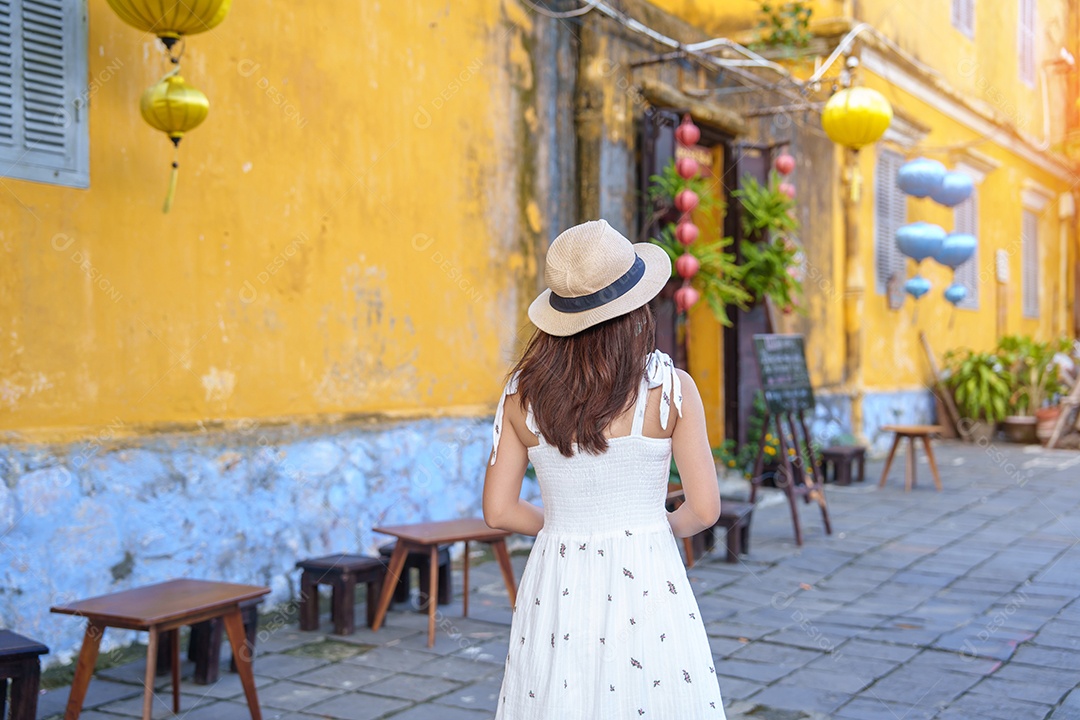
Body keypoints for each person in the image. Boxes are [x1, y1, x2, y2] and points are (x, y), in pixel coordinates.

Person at [484, 219, 726, 718]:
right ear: (635, 306)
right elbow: (703, 509)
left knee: (557, 694)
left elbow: (498, 510)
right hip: (649, 575)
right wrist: (651, 531)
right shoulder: (672, 387)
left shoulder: (520, 395)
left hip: (557, 575)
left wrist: (563, 529)